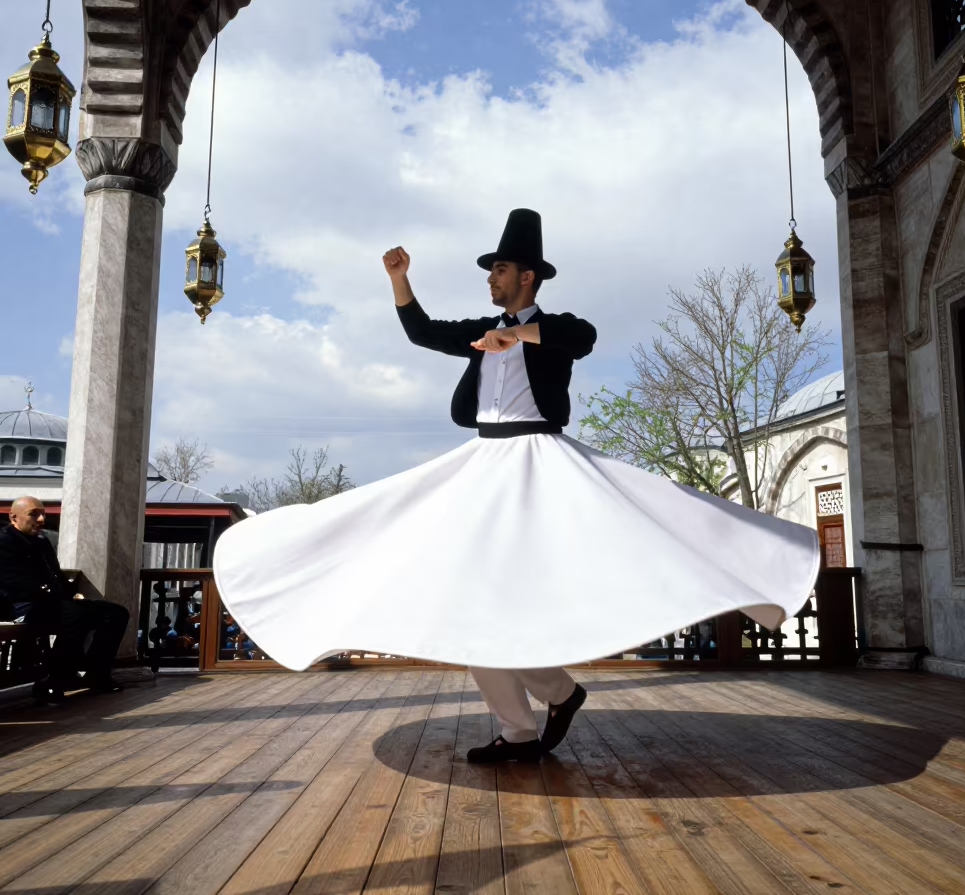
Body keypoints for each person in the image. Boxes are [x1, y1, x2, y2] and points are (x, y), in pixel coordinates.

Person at [213, 209, 819, 761]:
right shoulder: (481, 327)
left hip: (540, 463)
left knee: (614, 545)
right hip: (485, 465)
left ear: (526, 276)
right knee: (470, 603)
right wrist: (399, 278)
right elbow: (422, 332)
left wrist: (517, 337)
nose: (490, 279)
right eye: (491, 271)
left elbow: (581, 339)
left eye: (498, 269)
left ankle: (548, 701)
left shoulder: (554, 328)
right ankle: (530, 720)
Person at [0, 495, 129, 703]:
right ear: (13, 517)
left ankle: (96, 673)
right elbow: (15, 584)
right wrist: (56, 596)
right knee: (73, 614)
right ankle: (54, 680)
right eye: (34, 514)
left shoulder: (41, 542)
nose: (41, 519)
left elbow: (56, 577)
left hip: (52, 603)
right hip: (23, 607)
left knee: (115, 613)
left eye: (43, 514)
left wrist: (69, 596)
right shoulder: (4, 542)